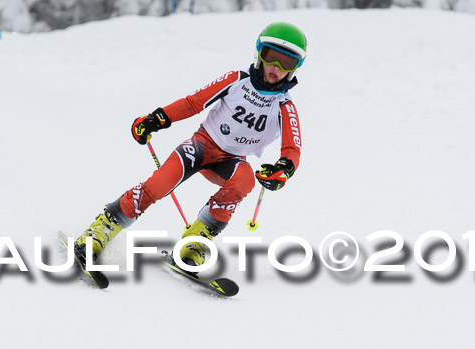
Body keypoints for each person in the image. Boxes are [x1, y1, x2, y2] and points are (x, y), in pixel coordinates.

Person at [75, 22, 307, 268]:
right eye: (272, 57)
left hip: (232, 160)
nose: (277, 67)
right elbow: (193, 103)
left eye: (288, 63)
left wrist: (283, 169)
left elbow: (292, 148)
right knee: (159, 184)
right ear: (260, 54)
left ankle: (195, 243)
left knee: (245, 178)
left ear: (296, 68)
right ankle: (101, 229)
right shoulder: (236, 80)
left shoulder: (284, 106)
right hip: (202, 146)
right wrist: (157, 118)